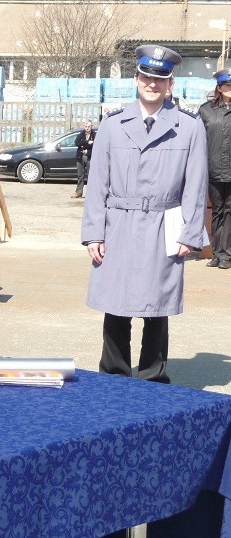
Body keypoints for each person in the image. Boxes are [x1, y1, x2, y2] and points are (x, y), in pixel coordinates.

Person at [81, 45, 207, 384]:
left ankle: (153, 376)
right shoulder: (112, 125)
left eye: (160, 79)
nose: (152, 84)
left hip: (164, 224)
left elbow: (196, 185)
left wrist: (190, 233)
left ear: (170, 84)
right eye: (146, 76)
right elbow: (97, 184)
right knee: (116, 303)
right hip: (119, 222)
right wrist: (94, 232)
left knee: (157, 305)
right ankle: (114, 375)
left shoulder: (189, 128)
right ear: (136, 78)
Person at [198, 68, 231, 269]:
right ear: (219, 88)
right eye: (228, 85)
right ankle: (217, 253)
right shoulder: (206, 111)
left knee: (229, 211)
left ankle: (226, 255)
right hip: (213, 171)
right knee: (217, 211)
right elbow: (198, 142)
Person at [71, 120, 95, 199]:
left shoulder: (94, 135)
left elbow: (94, 145)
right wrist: (87, 143)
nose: (87, 128)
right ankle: (79, 192)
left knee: (91, 175)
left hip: (89, 157)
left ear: (91, 126)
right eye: (86, 126)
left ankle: (91, 193)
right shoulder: (81, 134)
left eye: (89, 126)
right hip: (80, 156)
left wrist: (84, 145)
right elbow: (77, 143)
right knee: (80, 176)